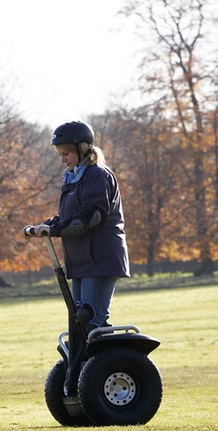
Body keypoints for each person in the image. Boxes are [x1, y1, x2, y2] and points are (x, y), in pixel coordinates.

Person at [26, 120, 130, 330]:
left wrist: (54, 229)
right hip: (80, 259)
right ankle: (83, 363)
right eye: (60, 154)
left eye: (66, 153)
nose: (63, 159)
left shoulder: (97, 175)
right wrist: (44, 226)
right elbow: (69, 216)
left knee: (91, 318)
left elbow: (91, 217)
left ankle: (114, 362)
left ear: (82, 149)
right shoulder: (73, 178)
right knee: (78, 323)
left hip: (99, 257)